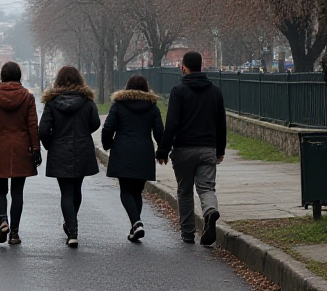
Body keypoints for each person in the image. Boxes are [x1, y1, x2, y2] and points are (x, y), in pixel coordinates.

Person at [155, 51, 227, 246]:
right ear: (201, 67)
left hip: (183, 149)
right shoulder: (215, 91)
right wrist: (220, 150)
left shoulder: (178, 90)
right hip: (207, 148)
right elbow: (221, 123)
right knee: (206, 188)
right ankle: (210, 212)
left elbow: (172, 123)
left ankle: (188, 232)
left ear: (184, 67)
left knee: (185, 191)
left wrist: (163, 150)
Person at [39, 65, 100, 248]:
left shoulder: (52, 102)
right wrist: (83, 132)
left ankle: (72, 230)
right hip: (82, 148)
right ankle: (71, 223)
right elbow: (95, 123)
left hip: (60, 148)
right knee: (77, 189)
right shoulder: (87, 101)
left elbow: (43, 129)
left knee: (66, 192)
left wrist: (50, 144)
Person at [0, 61, 41, 245]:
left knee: (0, 190)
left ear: (2, 76)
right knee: (17, 192)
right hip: (22, 147)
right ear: (19, 76)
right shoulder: (27, 97)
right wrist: (36, 148)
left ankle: (2, 220)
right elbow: (32, 125)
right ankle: (14, 233)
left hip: (0, 146)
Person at [101, 75, 165, 242]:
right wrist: (162, 151)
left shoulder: (119, 105)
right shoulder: (152, 107)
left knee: (126, 190)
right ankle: (135, 226)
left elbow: (108, 127)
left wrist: (107, 144)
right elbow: (159, 131)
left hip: (123, 149)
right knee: (137, 191)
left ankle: (136, 223)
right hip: (144, 150)